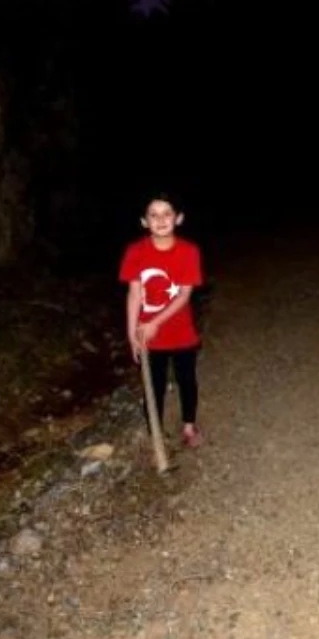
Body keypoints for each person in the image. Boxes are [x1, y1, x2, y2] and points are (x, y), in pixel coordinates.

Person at [118, 191, 205, 448]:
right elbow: (134, 294)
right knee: (152, 385)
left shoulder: (189, 251)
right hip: (148, 334)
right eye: (153, 215)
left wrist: (155, 322)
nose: (160, 220)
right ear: (144, 222)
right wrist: (132, 333)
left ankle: (189, 426)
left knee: (186, 379)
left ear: (178, 218)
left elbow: (183, 295)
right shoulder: (135, 252)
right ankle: (155, 432)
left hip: (180, 332)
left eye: (167, 214)